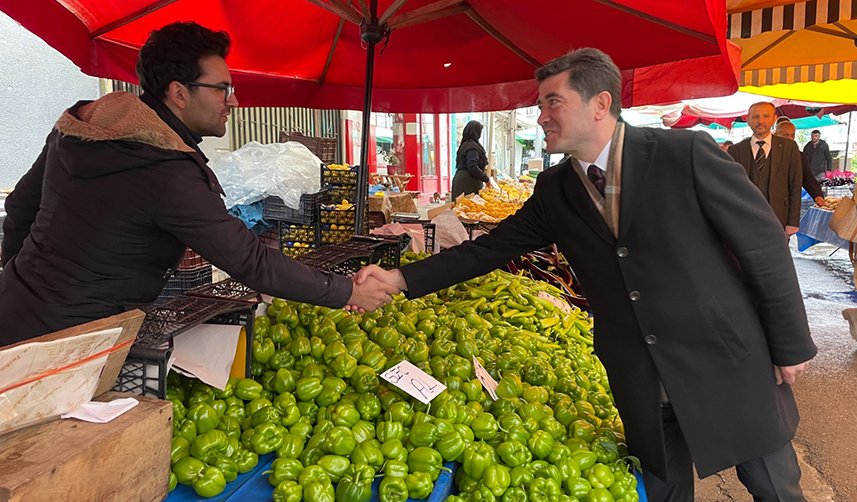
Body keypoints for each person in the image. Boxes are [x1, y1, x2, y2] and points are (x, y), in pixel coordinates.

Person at [356, 48, 816, 502]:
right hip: (638, 372)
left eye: (552, 102)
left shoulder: (684, 153)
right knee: (664, 489)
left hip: (723, 358)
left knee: (773, 486)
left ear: (600, 104)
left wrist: (788, 343)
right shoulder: (555, 188)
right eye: (539, 106)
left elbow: (761, 245)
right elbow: (490, 250)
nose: (541, 117)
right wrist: (399, 279)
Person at [0, 22, 396, 347]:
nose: (234, 101)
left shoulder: (82, 130)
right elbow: (249, 261)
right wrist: (345, 291)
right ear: (178, 94)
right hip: (75, 340)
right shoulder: (165, 168)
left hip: (14, 309)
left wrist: (23, 284)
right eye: (223, 88)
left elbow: (19, 208)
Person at [728, 102, 802, 236]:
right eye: (755, 117)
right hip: (744, 219)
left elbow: (795, 185)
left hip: (779, 217)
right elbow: (730, 187)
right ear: (748, 120)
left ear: (774, 119)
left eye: (766, 116)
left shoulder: (789, 147)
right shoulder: (735, 150)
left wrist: (793, 222)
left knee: (777, 256)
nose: (760, 121)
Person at [775, 120, 825, 206]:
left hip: (791, 202)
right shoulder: (768, 154)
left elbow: (807, 177)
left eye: (792, 135)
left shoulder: (799, 156)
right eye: (786, 135)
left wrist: (817, 195)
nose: (790, 138)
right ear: (775, 135)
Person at [451, 121, 490, 199]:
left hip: (463, 180)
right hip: (467, 183)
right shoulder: (472, 147)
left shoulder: (465, 144)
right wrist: (486, 179)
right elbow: (472, 167)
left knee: (462, 208)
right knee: (466, 206)